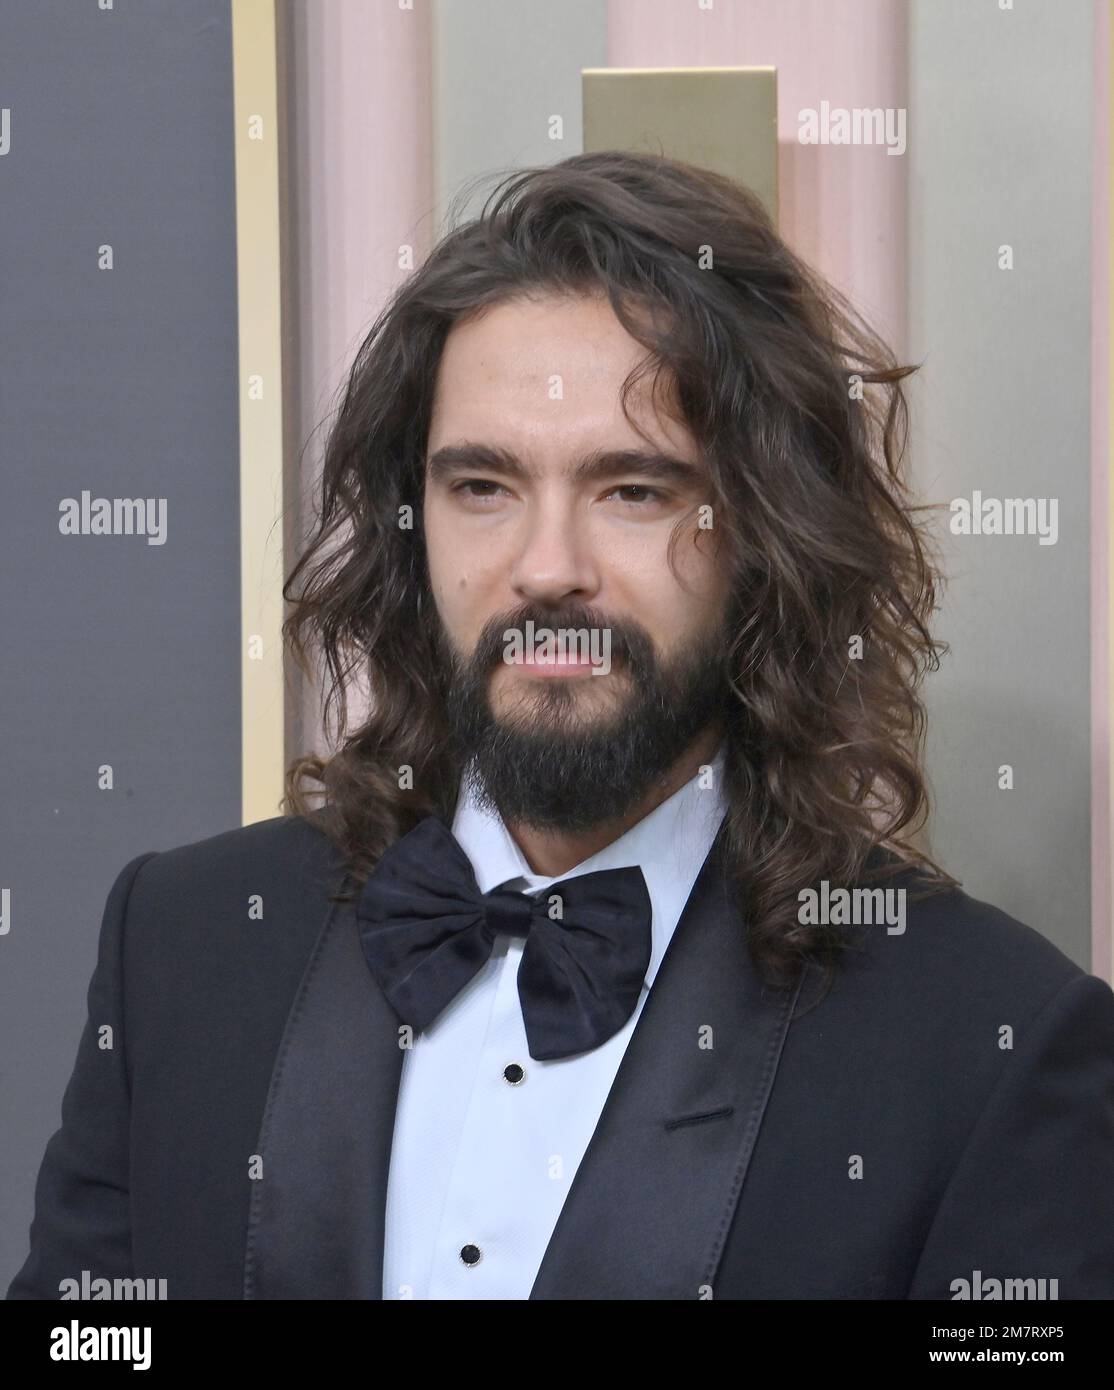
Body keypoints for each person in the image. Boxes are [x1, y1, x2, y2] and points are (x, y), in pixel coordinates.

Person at [9, 152, 1114, 1300]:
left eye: (630, 489)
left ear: (763, 533)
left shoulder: (988, 1040)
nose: (546, 569)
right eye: (481, 487)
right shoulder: (184, 945)